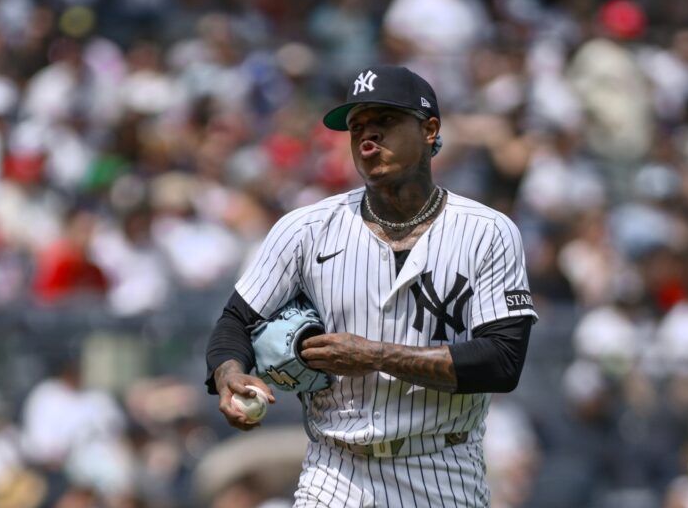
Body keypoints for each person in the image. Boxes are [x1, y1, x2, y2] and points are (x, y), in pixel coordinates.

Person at [205, 65, 537, 507]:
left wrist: (375, 356)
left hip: (443, 467)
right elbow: (235, 322)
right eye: (358, 126)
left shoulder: (488, 232)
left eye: (386, 122)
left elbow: (503, 360)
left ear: (429, 130)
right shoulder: (306, 228)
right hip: (335, 468)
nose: (367, 138)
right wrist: (230, 374)